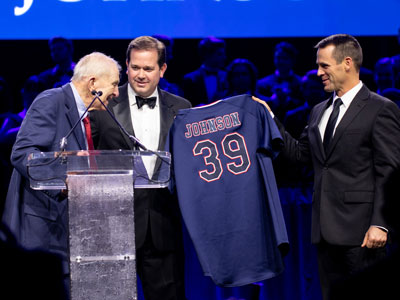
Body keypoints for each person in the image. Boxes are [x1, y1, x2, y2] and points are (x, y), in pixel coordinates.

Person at [261, 34, 400, 300]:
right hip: (325, 231)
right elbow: (301, 155)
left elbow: (390, 170)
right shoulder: (318, 111)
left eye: (324, 66)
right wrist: (269, 118)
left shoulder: (380, 109)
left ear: (347, 63)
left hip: (362, 233)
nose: (318, 72)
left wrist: (380, 225)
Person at [1, 52, 121, 297]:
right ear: (93, 83)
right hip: (42, 228)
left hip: (73, 229)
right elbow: (22, 153)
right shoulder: (52, 101)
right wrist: (62, 182)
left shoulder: (86, 115)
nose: (117, 92)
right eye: (115, 84)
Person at [90, 36, 191, 300]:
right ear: (126, 66)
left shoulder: (182, 108)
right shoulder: (102, 105)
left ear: (162, 69)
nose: (141, 75)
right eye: (135, 68)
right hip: (112, 227)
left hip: (163, 227)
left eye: (148, 69)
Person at [182, 36, 228, 106]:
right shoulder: (190, 79)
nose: (224, 57)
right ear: (207, 55)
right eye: (219, 54)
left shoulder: (227, 76)